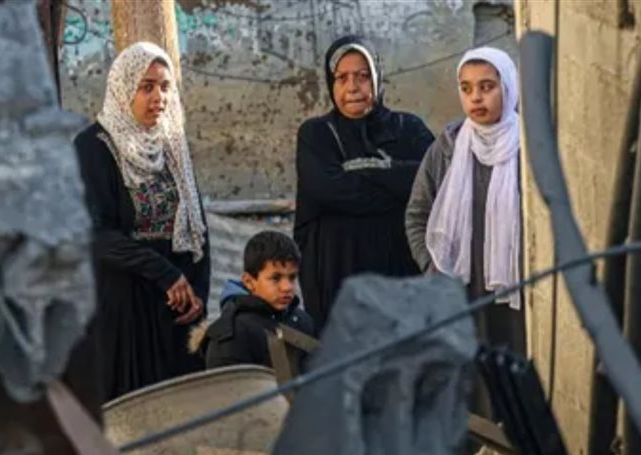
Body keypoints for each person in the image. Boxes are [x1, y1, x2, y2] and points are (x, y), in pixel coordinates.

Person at [74, 41, 210, 401]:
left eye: (165, 87)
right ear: (123, 89)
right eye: (146, 87)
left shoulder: (172, 145)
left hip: (175, 311)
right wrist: (165, 273)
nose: (158, 98)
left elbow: (197, 224)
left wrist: (199, 293)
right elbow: (97, 234)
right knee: (132, 412)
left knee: (183, 410)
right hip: (124, 307)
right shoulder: (93, 147)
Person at [293, 36, 435, 333]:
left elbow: (430, 180)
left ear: (377, 77)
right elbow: (329, 190)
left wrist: (365, 169)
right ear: (331, 83)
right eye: (342, 78)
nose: (352, 87)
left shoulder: (408, 129)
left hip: (400, 273)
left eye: (362, 76)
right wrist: (395, 182)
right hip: (337, 274)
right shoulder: (317, 134)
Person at [405, 47, 525, 360]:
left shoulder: (527, 149)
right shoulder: (447, 148)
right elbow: (417, 214)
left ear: (508, 87)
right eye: (466, 88)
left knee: (514, 371)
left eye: (487, 87)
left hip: (515, 295)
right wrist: (433, 266)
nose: (476, 98)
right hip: (460, 293)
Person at [197, 230, 316, 369]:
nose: (287, 287)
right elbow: (227, 382)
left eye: (292, 277)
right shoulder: (231, 335)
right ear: (249, 281)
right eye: (276, 278)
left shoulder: (303, 322)